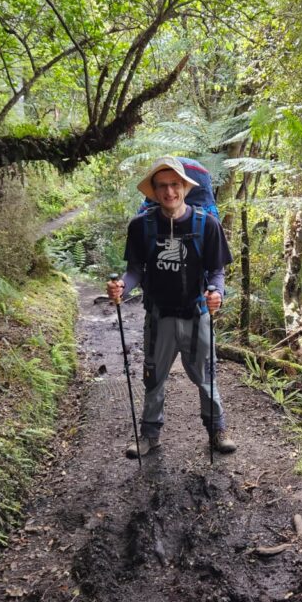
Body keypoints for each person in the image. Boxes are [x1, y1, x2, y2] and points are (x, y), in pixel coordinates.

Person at [106, 156, 236, 456]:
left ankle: (217, 431)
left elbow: (216, 271)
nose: (169, 192)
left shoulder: (207, 225)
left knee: (206, 376)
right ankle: (149, 435)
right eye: (162, 186)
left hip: (197, 315)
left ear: (186, 188)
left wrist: (217, 293)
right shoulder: (141, 226)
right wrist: (122, 286)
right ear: (153, 191)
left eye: (175, 184)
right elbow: (135, 270)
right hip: (159, 316)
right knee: (153, 377)